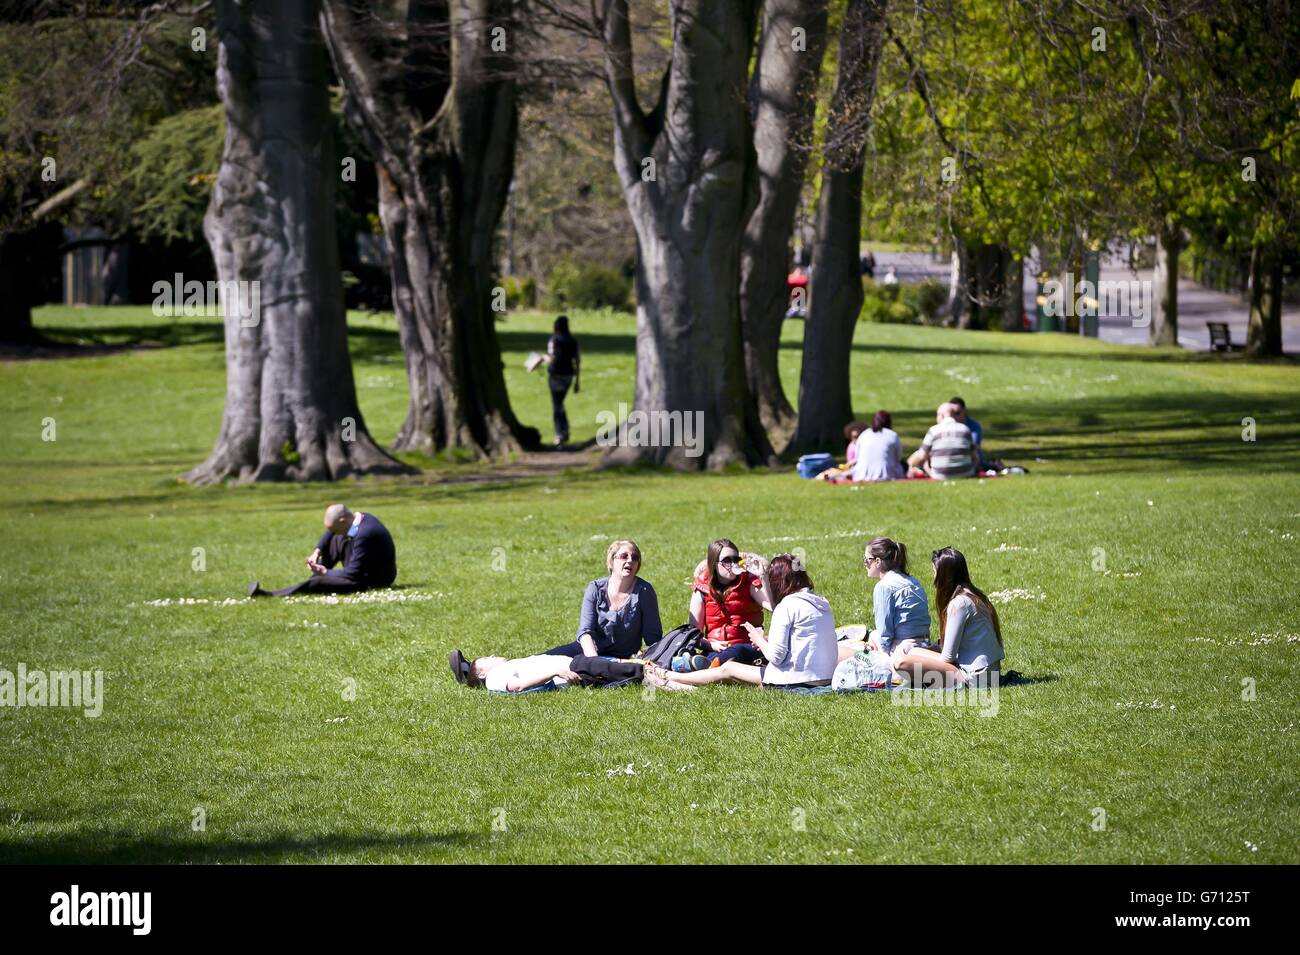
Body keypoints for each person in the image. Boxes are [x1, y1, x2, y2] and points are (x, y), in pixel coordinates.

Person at [644, 555, 837, 691]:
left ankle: (670, 676)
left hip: (795, 681)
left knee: (729, 669)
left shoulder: (786, 607)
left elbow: (776, 657)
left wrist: (758, 638)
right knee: (735, 673)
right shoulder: (822, 603)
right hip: (824, 678)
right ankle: (680, 681)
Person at [894, 548, 1005, 687]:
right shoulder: (974, 595)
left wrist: (922, 664)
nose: (933, 577)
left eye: (934, 572)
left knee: (901, 662)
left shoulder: (959, 604)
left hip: (974, 677)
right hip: (987, 671)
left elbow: (948, 658)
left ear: (944, 576)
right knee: (913, 652)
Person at [542, 539, 662, 659]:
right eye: (624, 556)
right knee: (540, 661)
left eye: (635, 557)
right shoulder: (595, 588)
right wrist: (595, 662)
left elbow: (653, 639)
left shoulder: (644, 591)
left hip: (622, 659)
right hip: (588, 651)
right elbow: (585, 632)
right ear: (611, 562)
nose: (630, 560)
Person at [248, 504, 396, 597]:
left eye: (334, 528)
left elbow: (354, 572)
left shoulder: (366, 533)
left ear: (342, 520)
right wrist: (317, 551)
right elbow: (330, 533)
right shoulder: (357, 518)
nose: (332, 532)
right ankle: (317, 578)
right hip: (362, 568)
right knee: (336, 538)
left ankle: (268, 595)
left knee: (318, 584)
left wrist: (325, 572)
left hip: (373, 579)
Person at [689, 538, 774, 667]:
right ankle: (711, 666)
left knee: (738, 650)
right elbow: (694, 634)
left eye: (736, 560)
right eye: (727, 561)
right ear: (714, 564)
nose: (733, 564)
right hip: (715, 649)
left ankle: (706, 668)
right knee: (715, 656)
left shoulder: (749, 582)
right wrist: (711, 645)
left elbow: (773, 606)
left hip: (747, 646)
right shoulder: (702, 587)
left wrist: (763, 577)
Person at [861, 537, 933, 665]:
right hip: (924, 645)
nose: (864, 563)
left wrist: (882, 661)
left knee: (870, 640)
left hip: (903, 651)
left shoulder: (884, 587)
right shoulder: (912, 580)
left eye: (867, 560)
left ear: (878, 562)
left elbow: (885, 634)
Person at [907, 402, 975, 480]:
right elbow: (974, 456)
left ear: (941, 416)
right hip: (966, 473)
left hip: (940, 475)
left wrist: (909, 463)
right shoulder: (965, 429)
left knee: (920, 455)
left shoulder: (934, 430)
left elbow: (921, 456)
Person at [544, 315, 580, 447]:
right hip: (568, 376)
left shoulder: (554, 340)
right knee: (560, 403)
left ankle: (560, 433)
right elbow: (577, 361)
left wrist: (543, 358)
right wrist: (577, 381)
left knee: (557, 405)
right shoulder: (573, 341)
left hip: (555, 375)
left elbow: (553, 358)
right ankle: (564, 431)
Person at [851, 410, 904, 481]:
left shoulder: (864, 435)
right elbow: (898, 458)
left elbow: (857, 457)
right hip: (887, 474)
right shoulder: (893, 435)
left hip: (861, 475)